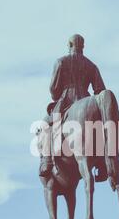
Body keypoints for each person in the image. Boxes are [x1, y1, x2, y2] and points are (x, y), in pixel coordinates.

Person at [39, 34, 106, 178]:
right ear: (83, 46)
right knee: (99, 126)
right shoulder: (91, 65)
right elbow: (100, 90)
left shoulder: (61, 62)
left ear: (69, 45)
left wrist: (58, 95)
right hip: (87, 100)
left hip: (66, 101)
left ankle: (47, 161)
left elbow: (53, 90)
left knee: (46, 123)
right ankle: (102, 164)